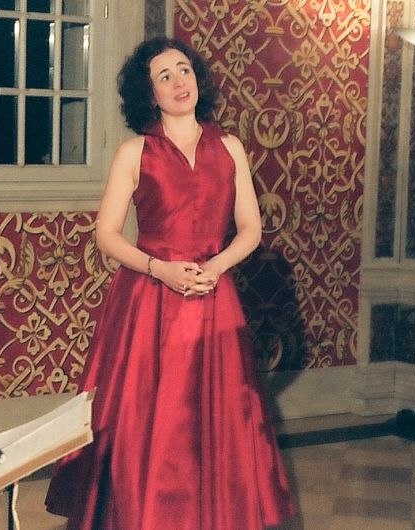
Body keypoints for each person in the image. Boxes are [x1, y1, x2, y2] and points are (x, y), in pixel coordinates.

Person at [45, 37, 296, 529]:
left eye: (184, 70)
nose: (180, 82)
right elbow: (106, 235)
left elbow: (251, 229)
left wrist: (216, 267)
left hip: (213, 297)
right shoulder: (135, 151)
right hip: (149, 300)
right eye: (165, 76)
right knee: (146, 421)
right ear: (149, 93)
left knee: (215, 420)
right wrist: (159, 269)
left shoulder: (230, 147)